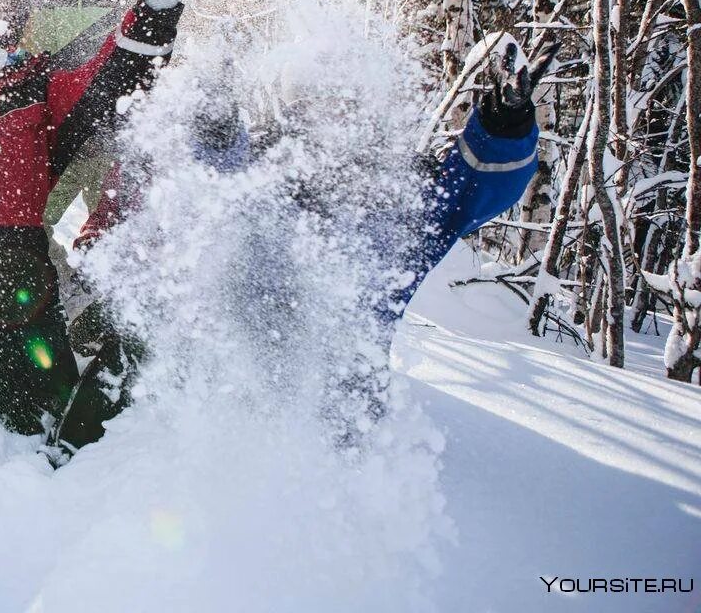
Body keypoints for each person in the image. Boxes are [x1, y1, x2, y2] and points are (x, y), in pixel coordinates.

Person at [60, 35, 548, 448]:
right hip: (233, 402)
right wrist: (213, 120)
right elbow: (207, 187)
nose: (332, 113)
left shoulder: (397, 191)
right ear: (296, 104)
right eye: (319, 98)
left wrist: (505, 123)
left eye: (346, 100)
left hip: (341, 415)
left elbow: (473, 188)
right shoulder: (263, 164)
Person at [0, 0, 209, 450]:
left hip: (12, 250)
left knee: (24, 350)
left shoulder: (37, 83)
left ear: (16, 10)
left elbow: (110, 81)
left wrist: (155, 9)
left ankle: (38, 433)